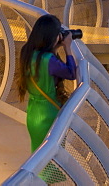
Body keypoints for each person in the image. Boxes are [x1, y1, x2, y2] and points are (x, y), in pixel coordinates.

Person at [17, 14, 78, 152]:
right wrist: (67, 47)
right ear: (52, 37)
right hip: (48, 113)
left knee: (38, 152)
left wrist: (55, 48)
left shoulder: (27, 53)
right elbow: (71, 73)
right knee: (52, 155)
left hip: (33, 113)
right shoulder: (48, 60)